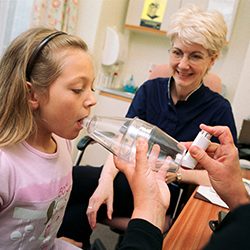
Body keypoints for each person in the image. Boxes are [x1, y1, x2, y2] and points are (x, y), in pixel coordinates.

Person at [58, 5, 238, 247]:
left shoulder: (219, 110)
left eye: (195, 56)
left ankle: (73, 242)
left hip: (165, 191)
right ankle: (75, 242)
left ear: (212, 60)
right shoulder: (149, 90)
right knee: (79, 186)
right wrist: (105, 182)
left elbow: (218, 178)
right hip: (125, 175)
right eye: (177, 52)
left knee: (74, 183)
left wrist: (175, 172)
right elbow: (120, 143)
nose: (183, 64)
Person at [0, 27, 171, 250]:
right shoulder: (5, 165)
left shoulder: (62, 143)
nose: (92, 100)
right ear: (32, 95)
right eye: (78, 89)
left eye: (91, 87)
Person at [119, 124, 250, 249]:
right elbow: (122, 140)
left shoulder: (235, 239)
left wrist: (149, 210)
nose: (96, 101)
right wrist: (237, 198)